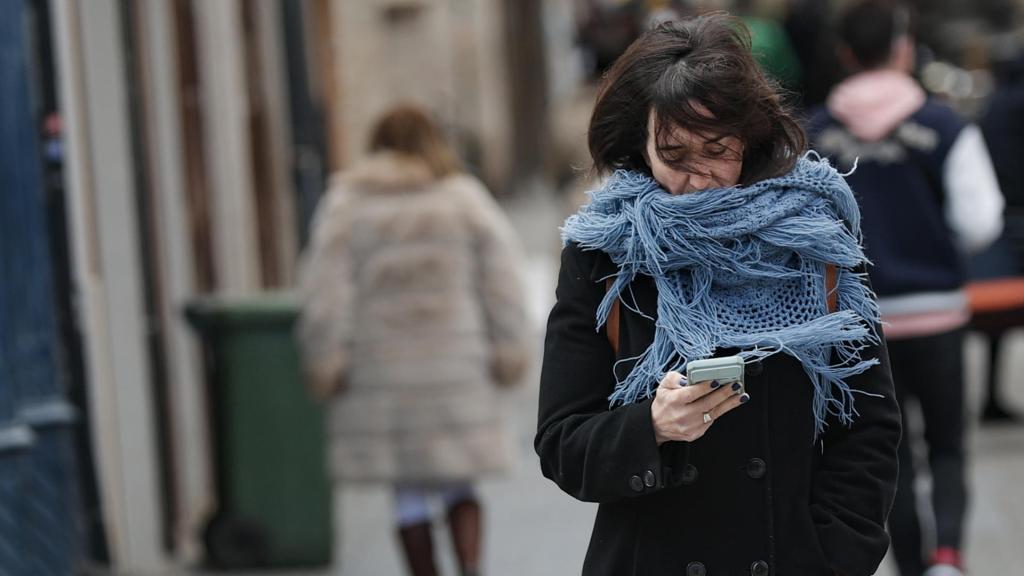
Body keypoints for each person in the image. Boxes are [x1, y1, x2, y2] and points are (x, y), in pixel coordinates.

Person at [536, 12, 901, 576]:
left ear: (750, 136)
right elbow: (561, 441)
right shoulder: (603, 253)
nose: (698, 177)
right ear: (641, 144)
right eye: (674, 155)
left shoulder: (813, 235)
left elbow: (868, 424)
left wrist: (833, 557)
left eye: (717, 149)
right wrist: (651, 428)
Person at [805, 2, 1005, 575]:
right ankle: (949, 557)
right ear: (903, 47)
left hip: (857, 321)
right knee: (946, 445)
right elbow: (980, 220)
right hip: (938, 312)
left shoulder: (817, 132)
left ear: (844, 53)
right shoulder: (944, 125)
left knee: (885, 452)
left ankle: (913, 566)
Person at [297, 105, 532, 576]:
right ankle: (471, 568)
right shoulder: (462, 199)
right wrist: (510, 350)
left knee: (406, 492)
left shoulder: (347, 204)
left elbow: (325, 293)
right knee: (458, 481)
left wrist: (327, 360)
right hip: (455, 367)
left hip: (381, 371)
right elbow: (504, 281)